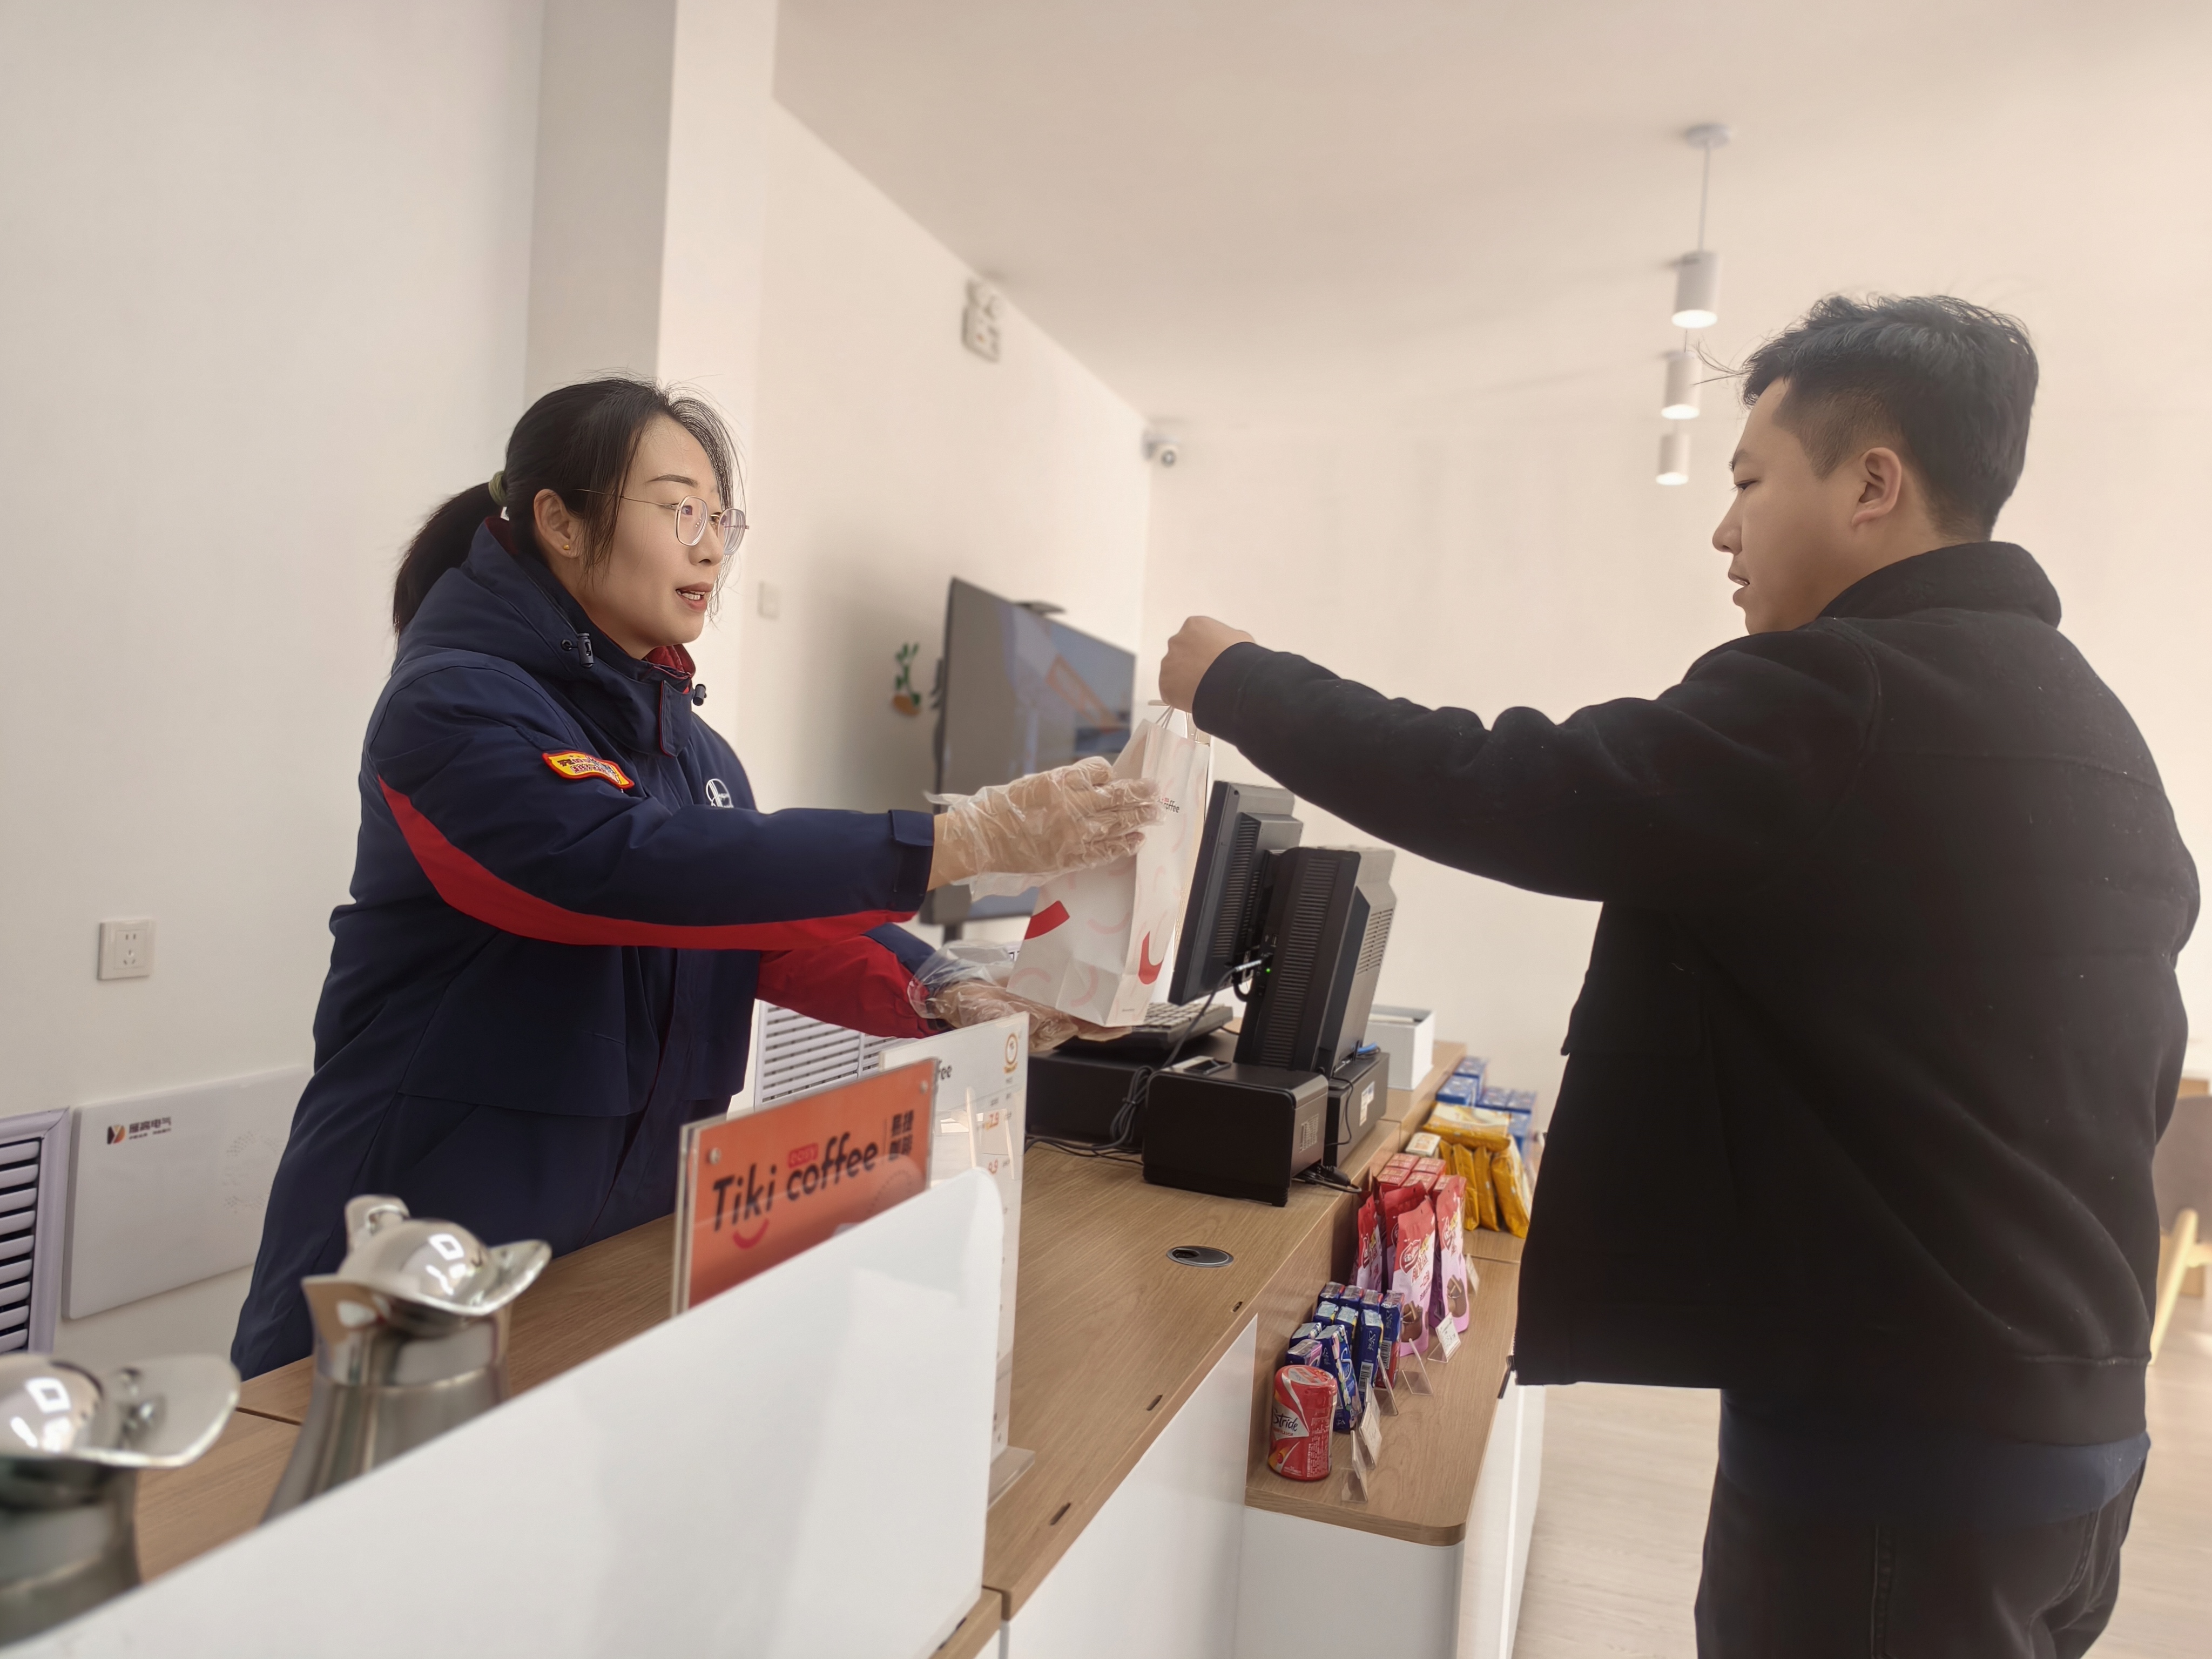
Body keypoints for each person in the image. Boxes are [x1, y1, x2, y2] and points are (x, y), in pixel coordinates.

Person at [1159, 296, 2196, 1657]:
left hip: (1896, 1467)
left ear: (1871, 485)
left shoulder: (1845, 695)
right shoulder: (2089, 726)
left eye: (1750, 482)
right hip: (2079, 1445)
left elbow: (1510, 785)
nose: (1723, 531)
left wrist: (1237, 681)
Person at [233, 376, 1153, 1376]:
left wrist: (945, 989)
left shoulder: (697, 754)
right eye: (680, 510)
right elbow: (611, 871)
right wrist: (954, 844)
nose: (710, 548)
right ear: (561, 521)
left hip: (616, 1243)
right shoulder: (454, 703)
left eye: (721, 520)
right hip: (423, 1237)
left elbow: (747, 922)